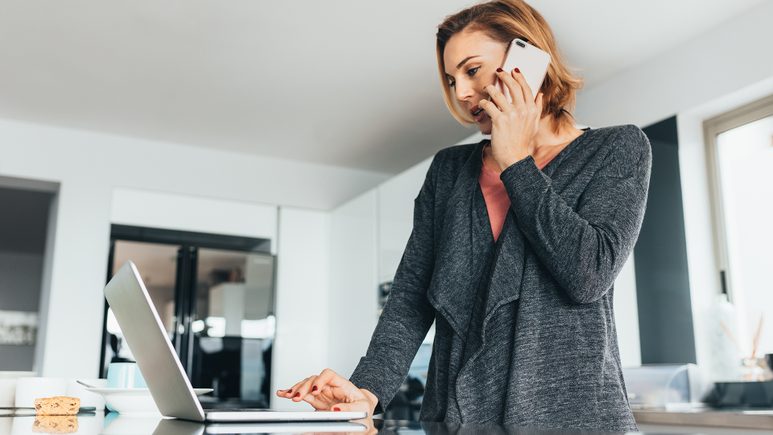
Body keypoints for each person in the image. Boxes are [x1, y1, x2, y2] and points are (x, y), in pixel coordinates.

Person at [277, 0, 651, 431]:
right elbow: (411, 298)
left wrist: (516, 165)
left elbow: (588, 274)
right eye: (453, 80)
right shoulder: (450, 171)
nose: (461, 93)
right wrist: (367, 390)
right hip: (457, 419)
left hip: (574, 419)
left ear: (527, 58)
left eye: (472, 71)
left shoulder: (617, 148)